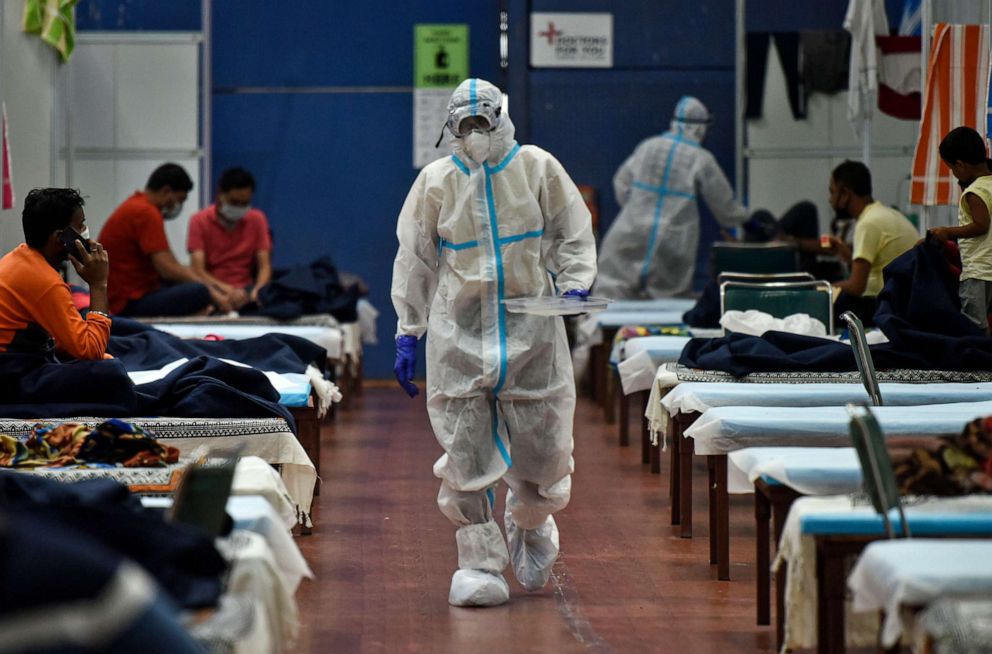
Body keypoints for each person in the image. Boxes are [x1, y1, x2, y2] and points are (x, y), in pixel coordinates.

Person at [390, 78, 597, 607]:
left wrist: (576, 279)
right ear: (452, 128)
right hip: (460, 334)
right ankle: (478, 561)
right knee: (464, 451)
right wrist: (408, 329)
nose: (476, 133)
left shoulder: (536, 167)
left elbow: (573, 228)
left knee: (547, 451)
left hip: (531, 332)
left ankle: (530, 520)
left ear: (502, 118)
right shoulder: (436, 180)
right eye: (467, 124)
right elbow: (414, 257)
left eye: (484, 122)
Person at [593, 96, 749, 299]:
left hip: (631, 230)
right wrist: (748, 221)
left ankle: (598, 332)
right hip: (674, 238)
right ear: (702, 128)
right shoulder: (701, 158)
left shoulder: (648, 146)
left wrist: (637, 208)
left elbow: (621, 183)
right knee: (668, 301)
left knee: (610, 295)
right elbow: (726, 208)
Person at [99, 163, 242, 316]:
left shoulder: (136, 205)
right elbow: (168, 269)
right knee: (200, 292)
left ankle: (203, 309)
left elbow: (171, 265)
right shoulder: (146, 212)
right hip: (127, 303)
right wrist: (213, 292)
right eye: (179, 200)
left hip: (126, 294)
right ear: (167, 191)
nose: (178, 206)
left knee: (191, 286)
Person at [0, 188, 110, 360]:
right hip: (14, 373)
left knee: (109, 360)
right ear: (61, 237)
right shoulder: (46, 281)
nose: (85, 233)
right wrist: (99, 285)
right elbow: (91, 351)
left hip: (22, 359)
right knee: (110, 370)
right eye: (80, 226)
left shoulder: (22, 256)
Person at [824, 161, 918, 325]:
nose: (830, 200)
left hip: (885, 307)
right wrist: (845, 253)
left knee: (832, 300)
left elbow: (856, 286)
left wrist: (825, 289)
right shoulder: (886, 213)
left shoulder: (867, 223)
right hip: (906, 303)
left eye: (832, 192)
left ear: (845, 193)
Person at [930, 126, 992, 332]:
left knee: (974, 325)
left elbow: (981, 225)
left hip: (978, 271)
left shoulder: (975, 192)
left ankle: (978, 362)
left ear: (960, 165)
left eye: (952, 168)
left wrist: (948, 233)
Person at [188, 166, 272, 308]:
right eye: (234, 202)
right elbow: (198, 271)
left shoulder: (258, 219)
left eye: (244, 204)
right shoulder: (199, 220)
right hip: (212, 289)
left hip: (247, 290)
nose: (239, 208)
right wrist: (226, 290)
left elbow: (265, 266)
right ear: (220, 194)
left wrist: (258, 290)